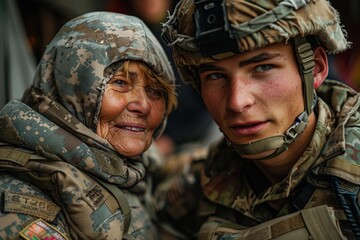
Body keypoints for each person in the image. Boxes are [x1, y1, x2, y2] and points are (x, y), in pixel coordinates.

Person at [155, 0, 360, 239]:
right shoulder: (202, 184)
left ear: (314, 68)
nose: (237, 102)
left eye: (262, 67)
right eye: (216, 75)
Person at [0, 11, 177, 239]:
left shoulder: (131, 170)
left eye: (155, 91)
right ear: (70, 88)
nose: (143, 105)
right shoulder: (21, 207)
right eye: (121, 83)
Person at [107, 0, 221, 155]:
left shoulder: (191, 36)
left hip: (195, 138)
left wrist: (171, 140)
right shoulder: (119, 40)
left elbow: (210, 109)